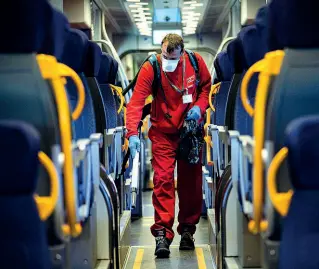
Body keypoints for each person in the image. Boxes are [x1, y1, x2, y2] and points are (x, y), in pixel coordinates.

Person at [126, 33, 211, 258]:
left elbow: (206, 88)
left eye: (172, 57)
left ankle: (187, 231)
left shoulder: (196, 62)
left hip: (190, 131)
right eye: (165, 55)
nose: (168, 61)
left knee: (191, 183)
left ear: (182, 53)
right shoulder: (151, 67)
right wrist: (132, 133)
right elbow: (135, 102)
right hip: (163, 133)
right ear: (161, 51)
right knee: (163, 180)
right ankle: (162, 234)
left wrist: (200, 108)